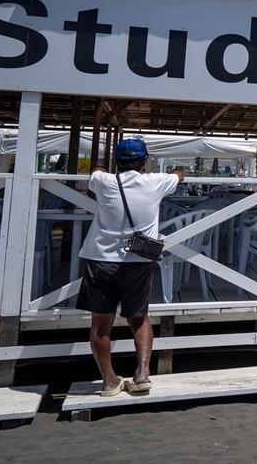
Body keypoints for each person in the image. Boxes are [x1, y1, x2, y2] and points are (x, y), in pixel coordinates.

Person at [76, 138, 183, 396]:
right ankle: (143, 373)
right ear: (144, 160)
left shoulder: (103, 182)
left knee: (101, 323)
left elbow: (95, 173)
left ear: (117, 160)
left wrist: (100, 167)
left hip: (100, 258)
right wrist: (177, 171)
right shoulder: (155, 182)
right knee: (139, 318)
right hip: (137, 261)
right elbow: (179, 175)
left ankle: (109, 381)